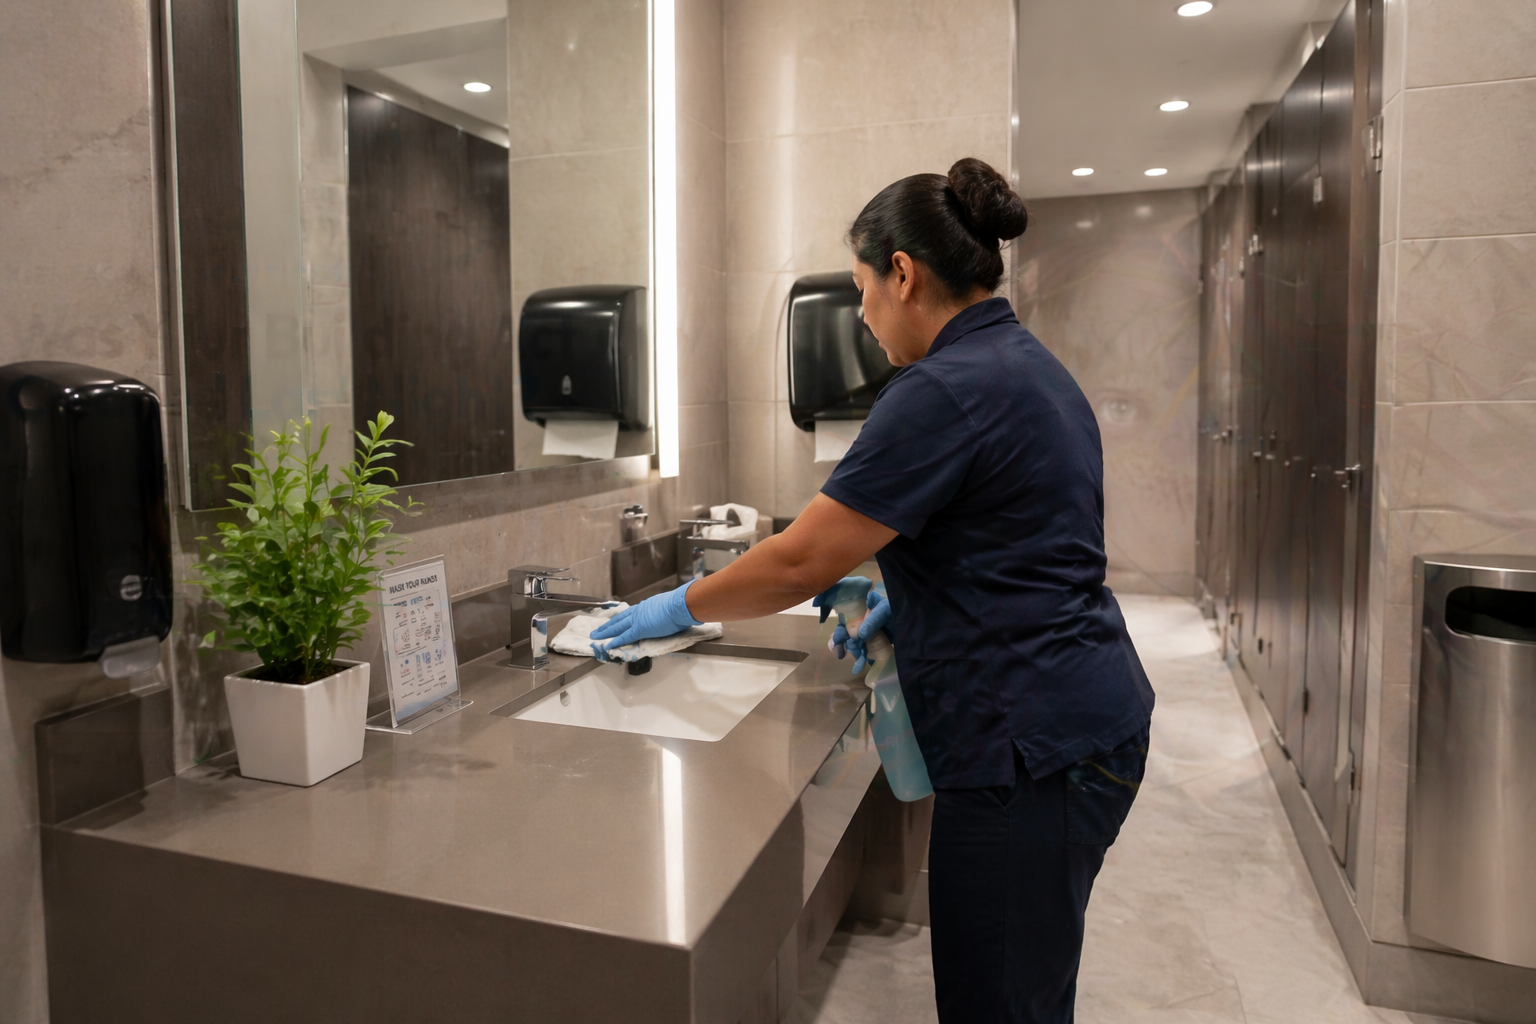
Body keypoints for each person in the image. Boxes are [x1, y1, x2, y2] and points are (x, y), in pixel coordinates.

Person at [591, 157, 1154, 1023]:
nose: (858, 315)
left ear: (903, 271)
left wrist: (670, 609)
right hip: (1084, 720)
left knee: (997, 1002)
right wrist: (917, 598)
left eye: (861, 288)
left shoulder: (939, 389)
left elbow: (796, 563)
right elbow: (1018, 540)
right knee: (1030, 985)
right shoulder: (1027, 364)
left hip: (1031, 753)